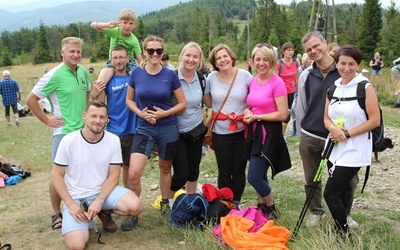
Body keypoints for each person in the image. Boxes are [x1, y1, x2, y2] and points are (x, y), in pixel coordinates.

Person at [52, 100, 142, 250]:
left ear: (107, 119)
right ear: (84, 116)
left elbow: (114, 175)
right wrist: (71, 205)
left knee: (135, 206)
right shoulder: (68, 141)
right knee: (76, 246)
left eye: (102, 117)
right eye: (93, 116)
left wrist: (99, 201)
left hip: (104, 193)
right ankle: (81, 218)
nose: (98, 121)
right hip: (76, 197)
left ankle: (103, 211)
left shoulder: (113, 140)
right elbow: (56, 175)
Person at [25, 37, 90, 230]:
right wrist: (47, 120)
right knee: (58, 175)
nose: (76, 55)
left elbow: (87, 91)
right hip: (64, 132)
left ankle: (84, 206)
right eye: (72, 51)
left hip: (83, 131)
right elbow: (30, 100)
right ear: (63, 52)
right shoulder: (54, 75)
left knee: (82, 171)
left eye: (78, 52)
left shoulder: (83, 71)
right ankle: (56, 213)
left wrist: (85, 110)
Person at [296, 32, 358, 228]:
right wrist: (302, 133)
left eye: (316, 46)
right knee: (313, 176)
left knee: (346, 179)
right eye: (308, 50)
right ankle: (316, 211)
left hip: (339, 137)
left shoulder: (343, 70)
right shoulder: (306, 74)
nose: (313, 51)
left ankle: (344, 214)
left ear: (324, 42)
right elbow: (302, 104)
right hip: (312, 135)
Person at [125, 35, 187, 218]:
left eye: (158, 50)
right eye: (150, 50)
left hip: (167, 127)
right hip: (144, 127)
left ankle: (165, 202)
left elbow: (182, 103)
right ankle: (134, 210)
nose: (155, 54)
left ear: (162, 52)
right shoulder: (136, 74)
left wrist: (164, 113)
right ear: (144, 52)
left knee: (165, 168)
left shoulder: (170, 74)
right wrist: (140, 112)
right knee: (134, 173)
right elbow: (129, 99)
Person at [323, 45, 380, 239]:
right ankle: (339, 227)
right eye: (342, 63)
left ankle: (344, 235)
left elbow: (374, 120)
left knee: (330, 193)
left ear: (358, 65)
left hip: (355, 148)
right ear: (336, 63)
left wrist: (347, 134)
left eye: (351, 64)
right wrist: (333, 129)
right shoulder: (333, 88)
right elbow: (326, 118)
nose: (346, 68)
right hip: (334, 148)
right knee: (337, 193)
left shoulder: (365, 87)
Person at [91, 45, 139, 231]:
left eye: (122, 57)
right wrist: (95, 91)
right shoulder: (107, 79)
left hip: (133, 131)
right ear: (111, 60)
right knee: (109, 174)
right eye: (115, 57)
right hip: (112, 133)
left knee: (131, 175)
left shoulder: (134, 77)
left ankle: (133, 212)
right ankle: (107, 210)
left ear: (128, 59)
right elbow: (98, 102)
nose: (119, 61)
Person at [243, 45, 291, 220]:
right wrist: (249, 112)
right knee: (260, 173)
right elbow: (251, 104)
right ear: (253, 60)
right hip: (254, 131)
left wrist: (257, 117)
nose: (261, 63)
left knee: (254, 176)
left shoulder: (277, 82)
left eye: (265, 60)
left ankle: (271, 207)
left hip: (269, 133)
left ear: (271, 61)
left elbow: (283, 113)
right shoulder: (253, 81)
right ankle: (261, 205)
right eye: (258, 59)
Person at [208, 43, 252, 206]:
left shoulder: (245, 75)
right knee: (224, 170)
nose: (222, 60)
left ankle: (237, 202)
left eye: (225, 56)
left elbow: (253, 98)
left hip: (242, 130)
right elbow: (207, 99)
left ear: (231, 57)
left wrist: (247, 111)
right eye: (218, 58)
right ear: (215, 62)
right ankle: (226, 203)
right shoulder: (211, 78)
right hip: (221, 132)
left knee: (239, 169)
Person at [170, 42, 212, 199]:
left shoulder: (202, 80)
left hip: (195, 130)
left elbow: (209, 102)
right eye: (188, 55)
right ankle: (168, 200)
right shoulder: (171, 77)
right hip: (175, 131)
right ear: (181, 56)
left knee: (193, 170)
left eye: (196, 56)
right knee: (181, 173)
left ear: (200, 59)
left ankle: (190, 201)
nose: (191, 59)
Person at [90, 8, 144, 97]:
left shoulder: (134, 40)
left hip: (129, 63)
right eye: (125, 23)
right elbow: (93, 25)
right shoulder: (115, 31)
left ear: (135, 25)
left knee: (139, 83)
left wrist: (144, 69)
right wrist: (107, 25)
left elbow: (140, 59)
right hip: (113, 62)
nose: (127, 26)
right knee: (100, 85)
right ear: (119, 22)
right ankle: (101, 110)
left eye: (131, 23)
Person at [276, 42, 299, 140]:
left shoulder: (296, 62)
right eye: (288, 50)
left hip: (291, 91)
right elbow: (275, 79)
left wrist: (300, 90)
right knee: (280, 113)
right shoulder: (279, 64)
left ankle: (282, 135)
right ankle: (277, 134)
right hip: (280, 93)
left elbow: (297, 78)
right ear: (283, 51)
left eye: (292, 50)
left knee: (287, 115)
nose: (290, 52)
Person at [290, 53, 313, 137]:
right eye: (309, 59)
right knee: (295, 110)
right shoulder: (300, 70)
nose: (311, 61)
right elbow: (296, 82)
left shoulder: (314, 69)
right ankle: (295, 130)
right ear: (305, 60)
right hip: (299, 92)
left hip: (309, 93)